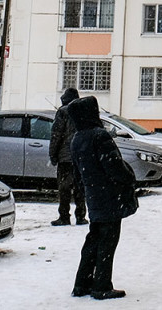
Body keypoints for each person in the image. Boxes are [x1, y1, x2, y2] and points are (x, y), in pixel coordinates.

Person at [69, 95, 138, 300]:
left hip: (94, 195)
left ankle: (82, 283)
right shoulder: (100, 136)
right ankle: (101, 285)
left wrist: (86, 191)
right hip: (110, 195)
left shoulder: (77, 138)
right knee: (107, 241)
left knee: (93, 239)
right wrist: (129, 178)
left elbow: (77, 174)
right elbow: (114, 166)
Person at [49, 87, 87, 226]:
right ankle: (81, 216)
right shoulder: (84, 111)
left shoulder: (63, 112)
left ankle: (64, 216)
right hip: (81, 156)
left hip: (65, 156)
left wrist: (53, 154)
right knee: (80, 187)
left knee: (64, 188)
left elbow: (56, 134)